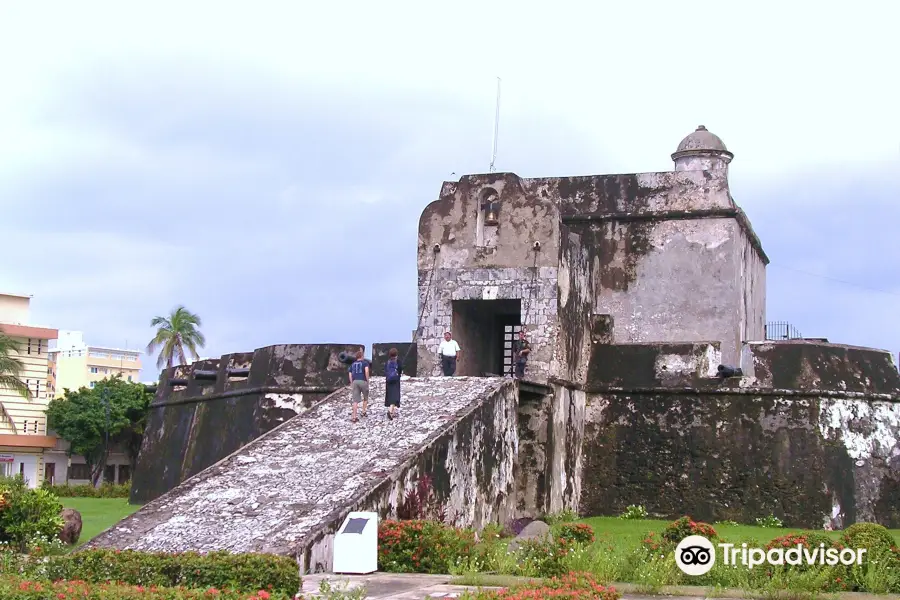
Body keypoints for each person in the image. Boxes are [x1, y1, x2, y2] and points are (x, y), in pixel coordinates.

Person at [348, 350, 370, 422]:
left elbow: (350, 374)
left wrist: (352, 382)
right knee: (365, 397)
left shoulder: (352, 364)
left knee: (355, 400)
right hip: (363, 380)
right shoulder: (365, 363)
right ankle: (363, 411)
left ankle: (354, 417)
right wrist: (367, 380)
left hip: (355, 381)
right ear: (362, 356)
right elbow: (366, 371)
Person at [384, 347, 403, 420]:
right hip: (395, 381)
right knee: (394, 397)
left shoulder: (387, 362)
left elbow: (385, 371)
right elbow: (400, 369)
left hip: (389, 381)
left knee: (390, 395)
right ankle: (390, 411)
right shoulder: (398, 362)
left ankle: (393, 413)